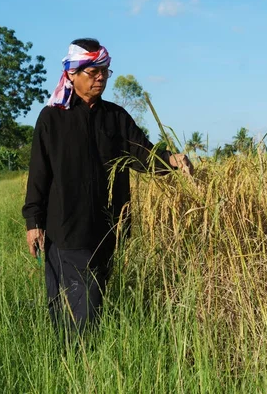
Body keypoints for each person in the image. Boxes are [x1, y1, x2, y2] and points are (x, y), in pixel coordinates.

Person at [22, 38, 193, 335]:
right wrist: (33, 221)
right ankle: (77, 363)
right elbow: (39, 173)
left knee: (92, 303)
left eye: (105, 71)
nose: (100, 77)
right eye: (93, 71)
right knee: (76, 306)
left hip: (107, 227)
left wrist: (174, 161)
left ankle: (74, 360)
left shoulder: (115, 118)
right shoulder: (52, 119)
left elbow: (144, 155)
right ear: (72, 74)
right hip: (66, 227)